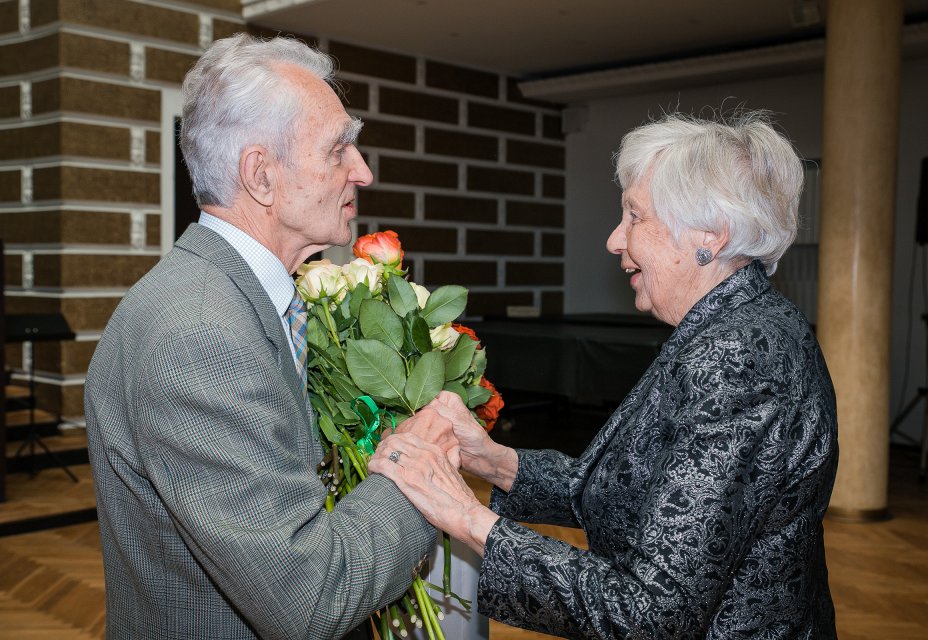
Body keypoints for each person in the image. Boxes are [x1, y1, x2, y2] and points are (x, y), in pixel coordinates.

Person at [370, 111, 839, 638]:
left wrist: (465, 516)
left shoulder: (739, 356)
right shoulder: (729, 325)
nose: (615, 239)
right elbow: (621, 493)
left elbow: (649, 615)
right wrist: (491, 460)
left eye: (635, 217)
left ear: (711, 234)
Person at [84, 34, 457, 640]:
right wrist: (412, 460)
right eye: (340, 149)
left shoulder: (238, 298)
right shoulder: (200, 333)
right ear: (261, 175)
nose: (362, 171)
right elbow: (308, 599)